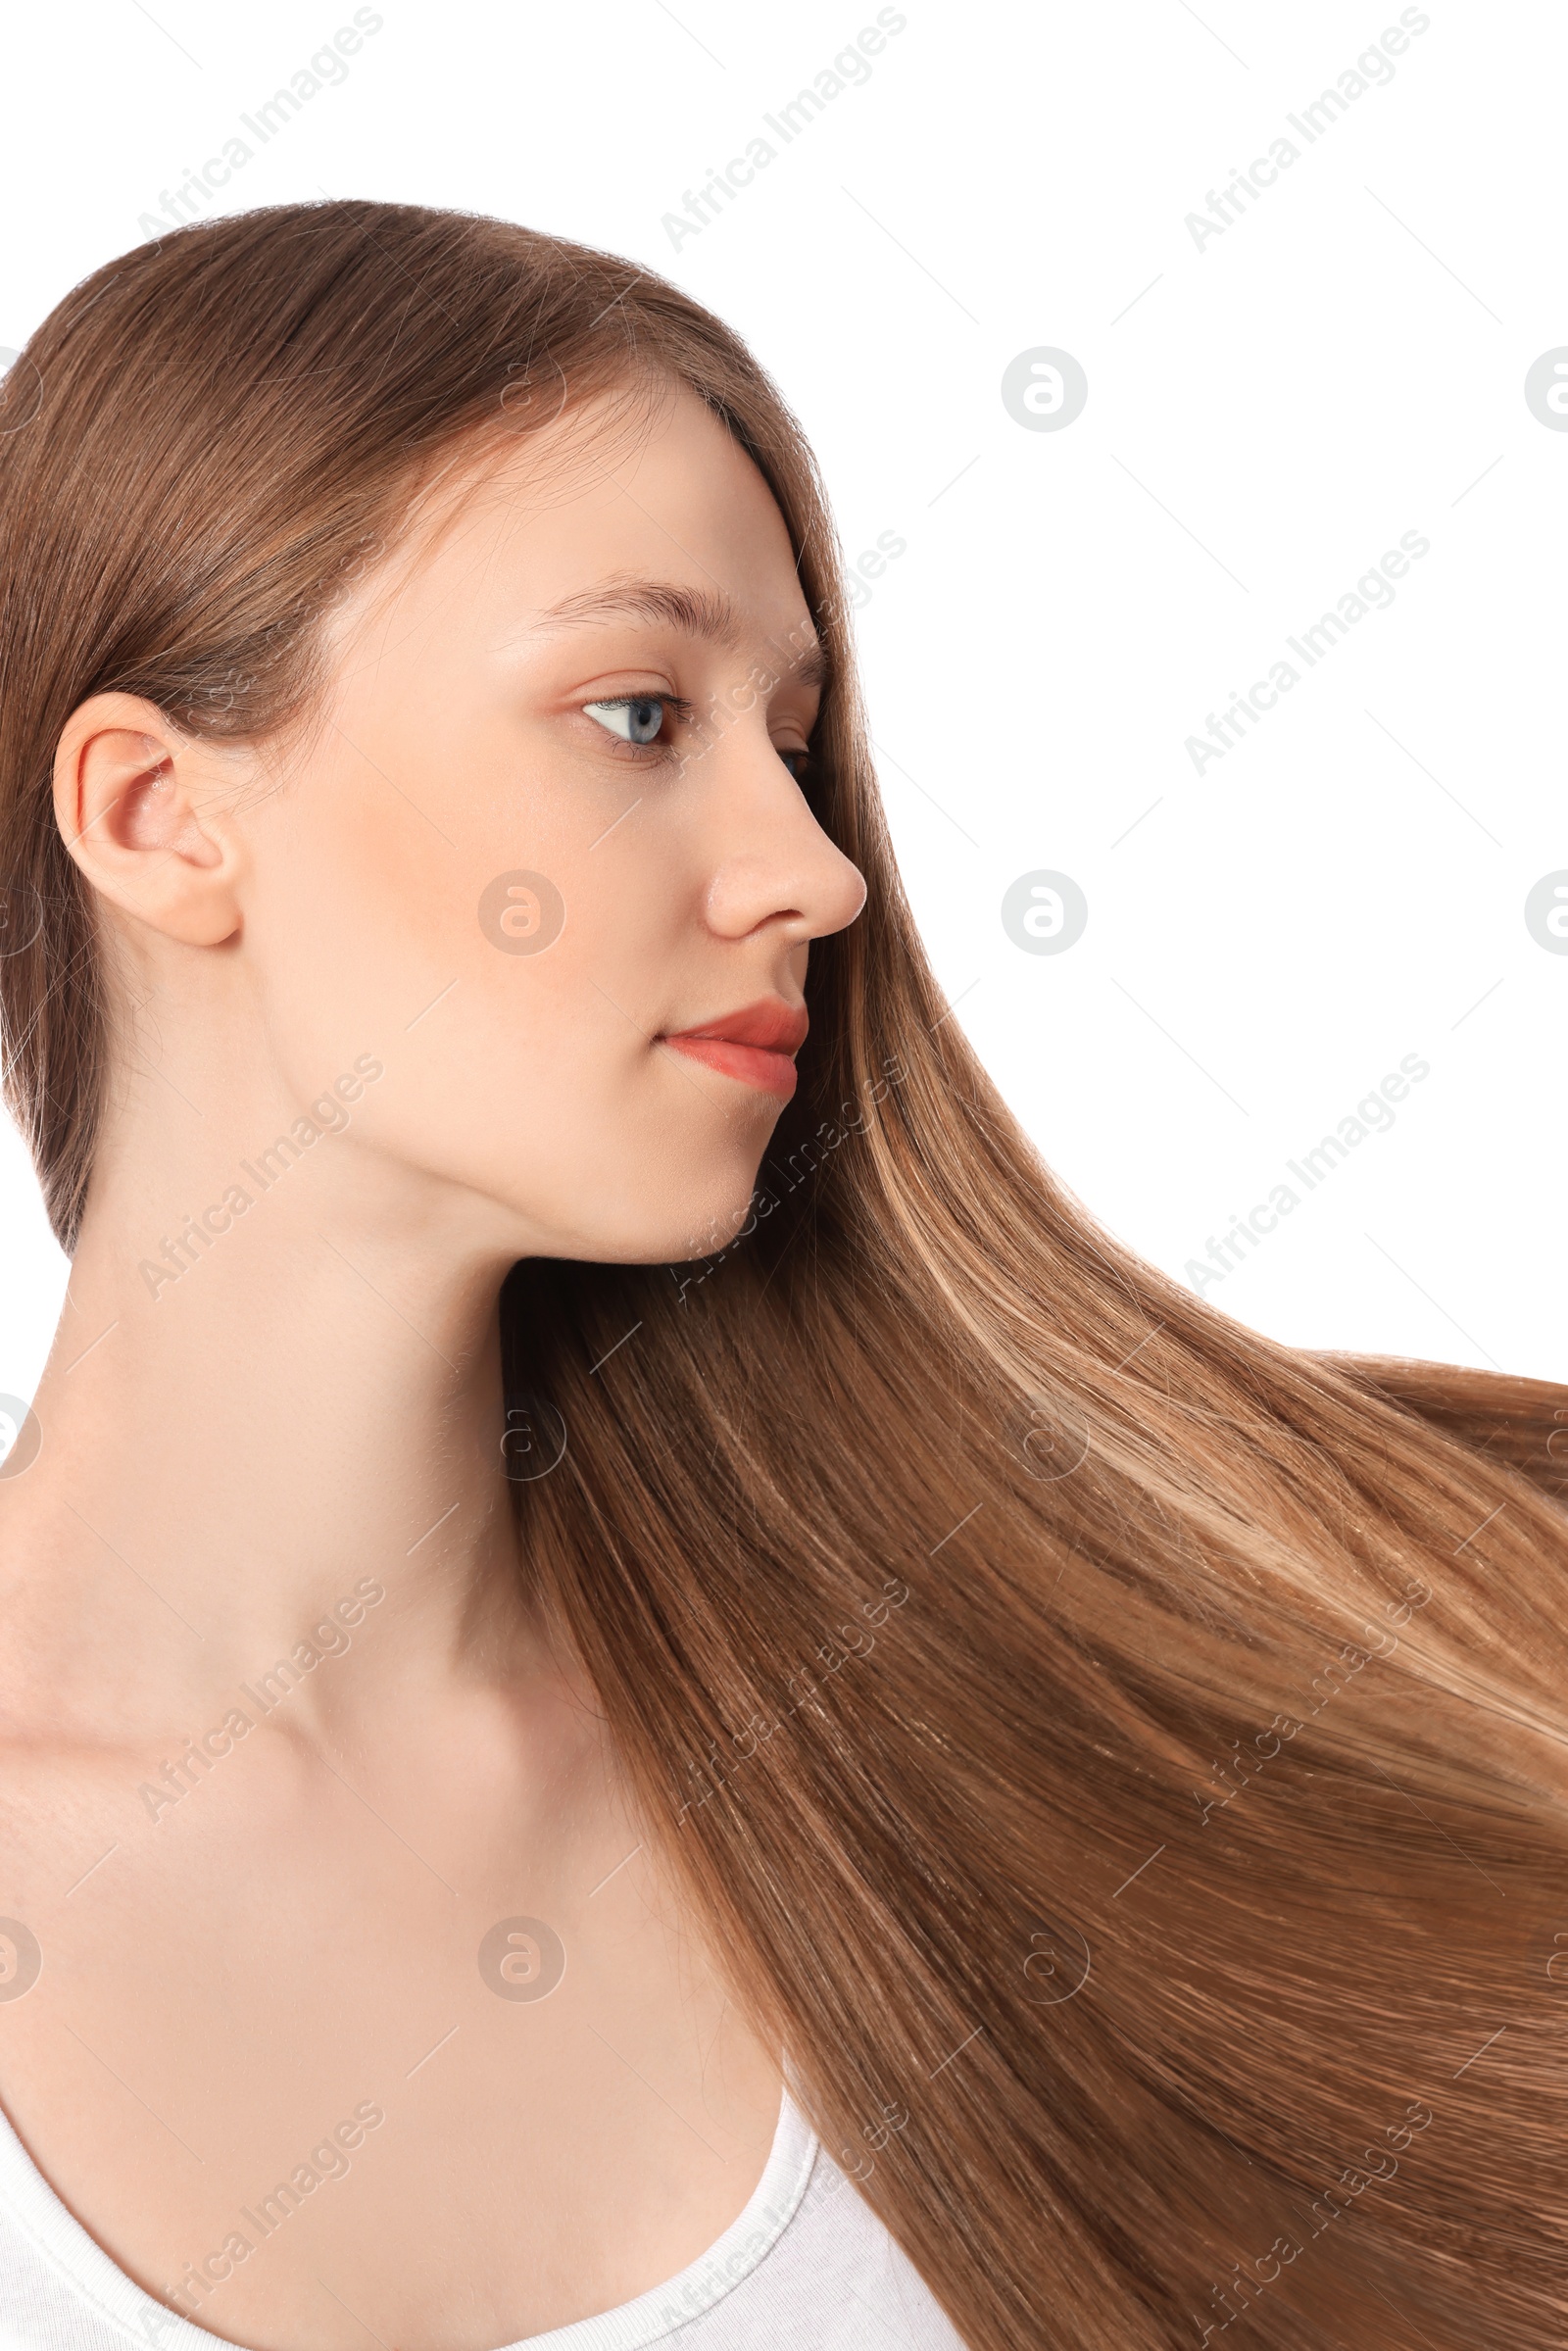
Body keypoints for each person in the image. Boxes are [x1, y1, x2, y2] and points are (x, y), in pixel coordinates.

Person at [0, 203, 1561, 2351]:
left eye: (792, 735)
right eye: (638, 713)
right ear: (162, 816)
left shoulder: (998, 1749)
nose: (815, 868)